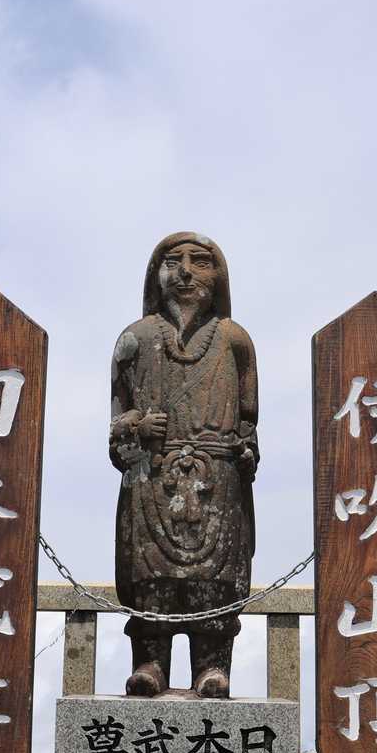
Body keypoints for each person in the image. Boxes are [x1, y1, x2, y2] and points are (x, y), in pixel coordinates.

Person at [109, 232, 259, 698]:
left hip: (217, 476)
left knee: (214, 579)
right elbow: (116, 424)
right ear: (157, 274)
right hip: (152, 475)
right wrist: (137, 427)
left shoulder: (234, 340)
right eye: (174, 261)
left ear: (219, 277)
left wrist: (247, 449)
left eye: (200, 262)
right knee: (150, 577)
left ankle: (212, 666)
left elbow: (249, 419)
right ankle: (150, 663)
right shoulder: (135, 339)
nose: (186, 272)